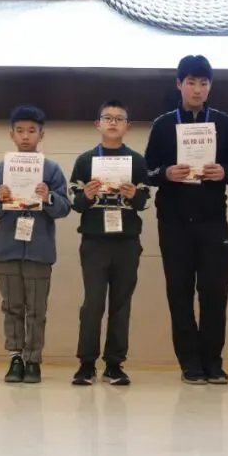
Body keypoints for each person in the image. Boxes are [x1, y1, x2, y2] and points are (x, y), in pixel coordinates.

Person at [145, 55, 228, 385]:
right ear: (179, 84)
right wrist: (166, 173)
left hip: (213, 222)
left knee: (215, 294)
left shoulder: (223, 122)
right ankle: (189, 363)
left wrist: (224, 172)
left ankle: (213, 362)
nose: (197, 89)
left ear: (210, 86)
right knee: (180, 294)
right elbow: (147, 170)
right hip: (173, 223)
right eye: (191, 82)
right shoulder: (163, 124)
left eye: (203, 83)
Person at [0, 105, 71, 384]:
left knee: (36, 309)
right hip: (7, 249)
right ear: (11, 135)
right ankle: (15, 357)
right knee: (12, 307)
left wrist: (48, 197)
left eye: (32, 131)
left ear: (41, 135)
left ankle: (33, 361)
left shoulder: (51, 169)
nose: (25, 136)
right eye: (19, 131)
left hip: (39, 250)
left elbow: (64, 208)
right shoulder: (0, 170)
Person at [68, 100, 151, 386]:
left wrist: (133, 195)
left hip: (127, 242)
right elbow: (75, 203)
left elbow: (145, 202)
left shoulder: (137, 161)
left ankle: (115, 364)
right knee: (92, 304)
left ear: (128, 126)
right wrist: (88, 196)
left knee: (121, 304)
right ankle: (86, 363)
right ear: (98, 124)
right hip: (94, 242)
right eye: (107, 118)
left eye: (119, 118)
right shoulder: (85, 160)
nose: (113, 122)